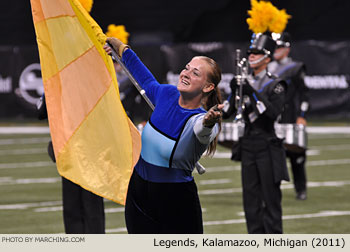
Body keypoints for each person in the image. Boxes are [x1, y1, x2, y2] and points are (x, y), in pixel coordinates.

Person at [104, 37, 223, 234]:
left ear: (208, 87)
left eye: (195, 73)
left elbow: (202, 130)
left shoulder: (201, 120)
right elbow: (144, 78)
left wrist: (209, 122)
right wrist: (123, 50)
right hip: (139, 191)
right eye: (186, 68)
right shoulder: (167, 94)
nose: (186, 74)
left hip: (175, 200)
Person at [222, 33, 289, 233]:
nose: (251, 56)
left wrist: (251, 91)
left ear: (267, 58)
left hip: (267, 145)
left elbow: (271, 114)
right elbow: (227, 112)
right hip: (248, 145)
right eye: (250, 52)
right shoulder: (244, 82)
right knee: (250, 200)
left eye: (256, 53)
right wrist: (234, 92)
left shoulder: (276, 84)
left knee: (270, 199)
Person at [37, 94, 105, 234]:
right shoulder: (62, 83)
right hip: (70, 149)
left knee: (88, 207)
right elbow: (42, 111)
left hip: (87, 149)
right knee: (74, 207)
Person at [269, 32, 310, 200]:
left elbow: (304, 94)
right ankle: (271, 189)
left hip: (290, 116)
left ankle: (301, 189)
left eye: (279, 47)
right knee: (273, 156)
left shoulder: (295, 68)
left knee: (296, 155)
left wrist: (302, 115)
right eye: (275, 46)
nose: (276, 50)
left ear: (287, 49)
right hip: (272, 117)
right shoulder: (267, 68)